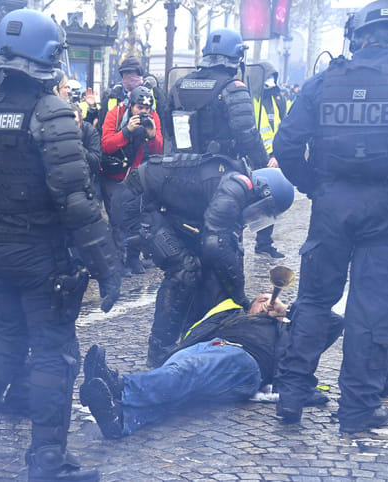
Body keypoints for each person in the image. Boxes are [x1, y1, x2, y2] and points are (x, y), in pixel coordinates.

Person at [0, 9, 122, 480]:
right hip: (40, 255)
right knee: (52, 352)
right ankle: (47, 460)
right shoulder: (51, 112)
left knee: (5, 341)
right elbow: (77, 200)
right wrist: (107, 267)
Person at [273, 0, 388, 434]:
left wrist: (315, 187)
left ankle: (291, 397)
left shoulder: (323, 81)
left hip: (331, 205)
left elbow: (286, 146)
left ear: (356, 36)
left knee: (315, 301)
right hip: (383, 210)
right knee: (370, 309)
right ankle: (356, 411)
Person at [79, 292, 344, 439]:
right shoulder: (231, 315)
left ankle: (121, 385)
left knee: (186, 373)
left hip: (245, 359)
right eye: (262, 299)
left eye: (271, 300)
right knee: (180, 384)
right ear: (250, 305)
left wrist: (286, 312)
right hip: (207, 346)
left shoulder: (287, 331)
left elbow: (334, 323)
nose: (267, 304)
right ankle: (121, 419)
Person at [120, 160, 295, 368]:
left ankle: (192, 334)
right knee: (184, 269)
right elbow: (215, 244)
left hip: (157, 203)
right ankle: (159, 350)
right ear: (261, 191)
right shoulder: (236, 188)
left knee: (204, 265)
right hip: (136, 199)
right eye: (262, 209)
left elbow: (225, 250)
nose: (257, 215)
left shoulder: (239, 192)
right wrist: (240, 298)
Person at [167, 28, 268, 169]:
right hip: (221, 169)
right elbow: (247, 136)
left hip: (181, 166)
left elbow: (168, 128)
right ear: (236, 58)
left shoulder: (179, 85)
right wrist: (263, 163)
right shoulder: (233, 88)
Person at [100, 86, 164, 275]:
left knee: (137, 217)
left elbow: (158, 150)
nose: (143, 112)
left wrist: (152, 135)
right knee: (117, 219)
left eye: (146, 108)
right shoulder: (115, 115)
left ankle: (134, 258)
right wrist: (126, 131)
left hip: (136, 174)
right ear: (130, 106)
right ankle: (118, 260)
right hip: (113, 173)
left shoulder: (153, 117)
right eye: (139, 108)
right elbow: (106, 145)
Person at [252, 62, 287, 259]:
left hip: (272, 159)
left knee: (269, 202)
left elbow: (284, 126)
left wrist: (277, 155)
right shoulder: (251, 97)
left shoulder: (277, 98)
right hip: (252, 157)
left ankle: (264, 243)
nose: (270, 81)